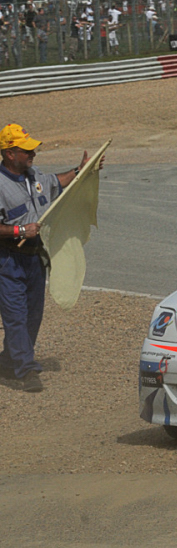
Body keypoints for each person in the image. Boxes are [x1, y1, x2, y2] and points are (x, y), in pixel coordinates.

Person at [0, 124, 104, 392]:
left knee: (33, 316)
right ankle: (25, 369)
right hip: (8, 260)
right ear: (10, 153)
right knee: (16, 316)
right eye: (26, 149)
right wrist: (19, 230)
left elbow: (56, 182)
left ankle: (8, 362)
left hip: (36, 260)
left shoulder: (33, 175)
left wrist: (82, 170)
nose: (33, 152)